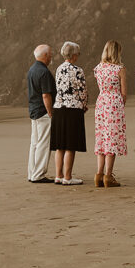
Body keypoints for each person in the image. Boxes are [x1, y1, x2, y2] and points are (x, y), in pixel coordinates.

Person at [51, 41, 88, 185]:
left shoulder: (59, 69)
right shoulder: (78, 70)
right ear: (73, 55)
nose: (78, 56)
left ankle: (58, 175)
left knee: (60, 145)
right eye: (78, 54)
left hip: (59, 107)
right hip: (73, 108)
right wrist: (84, 105)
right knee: (70, 145)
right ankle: (68, 177)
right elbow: (82, 91)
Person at [93, 40, 128, 188]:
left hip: (101, 102)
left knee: (102, 139)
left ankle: (98, 175)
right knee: (112, 139)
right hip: (114, 103)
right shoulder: (120, 69)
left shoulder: (98, 68)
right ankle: (108, 175)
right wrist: (120, 104)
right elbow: (124, 93)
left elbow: (101, 86)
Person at [27, 44, 56, 183]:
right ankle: (38, 174)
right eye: (50, 54)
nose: (51, 57)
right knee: (44, 143)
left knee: (35, 143)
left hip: (33, 110)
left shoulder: (32, 69)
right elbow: (46, 95)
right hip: (43, 111)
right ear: (45, 56)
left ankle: (32, 172)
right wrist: (50, 112)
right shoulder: (43, 72)